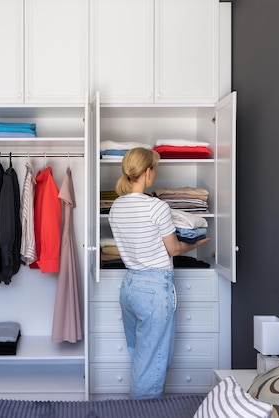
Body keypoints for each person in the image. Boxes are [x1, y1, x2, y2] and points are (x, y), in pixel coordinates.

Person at [108, 147, 210, 399]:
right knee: (152, 363)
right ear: (147, 172)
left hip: (130, 286)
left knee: (140, 355)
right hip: (154, 289)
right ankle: (144, 411)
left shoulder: (115, 207)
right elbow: (174, 249)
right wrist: (195, 244)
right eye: (155, 168)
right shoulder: (157, 207)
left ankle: (137, 406)